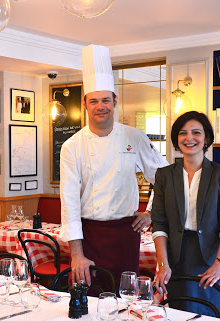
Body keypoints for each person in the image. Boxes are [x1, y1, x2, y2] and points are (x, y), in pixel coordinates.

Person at [60, 44, 168, 289]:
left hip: (126, 234)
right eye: (95, 101)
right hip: (89, 236)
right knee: (89, 299)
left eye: (106, 100)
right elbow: (69, 203)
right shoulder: (72, 146)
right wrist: (76, 255)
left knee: (125, 299)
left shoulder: (134, 137)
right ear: (85, 104)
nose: (101, 106)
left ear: (115, 101)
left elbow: (164, 177)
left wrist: (151, 213)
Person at [151, 111, 220, 317]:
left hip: (211, 259)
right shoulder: (164, 175)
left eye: (196, 132)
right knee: (178, 318)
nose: (189, 138)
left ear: (206, 138)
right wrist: (163, 265)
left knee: (212, 318)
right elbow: (159, 224)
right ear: (176, 139)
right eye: (183, 133)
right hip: (176, 260)